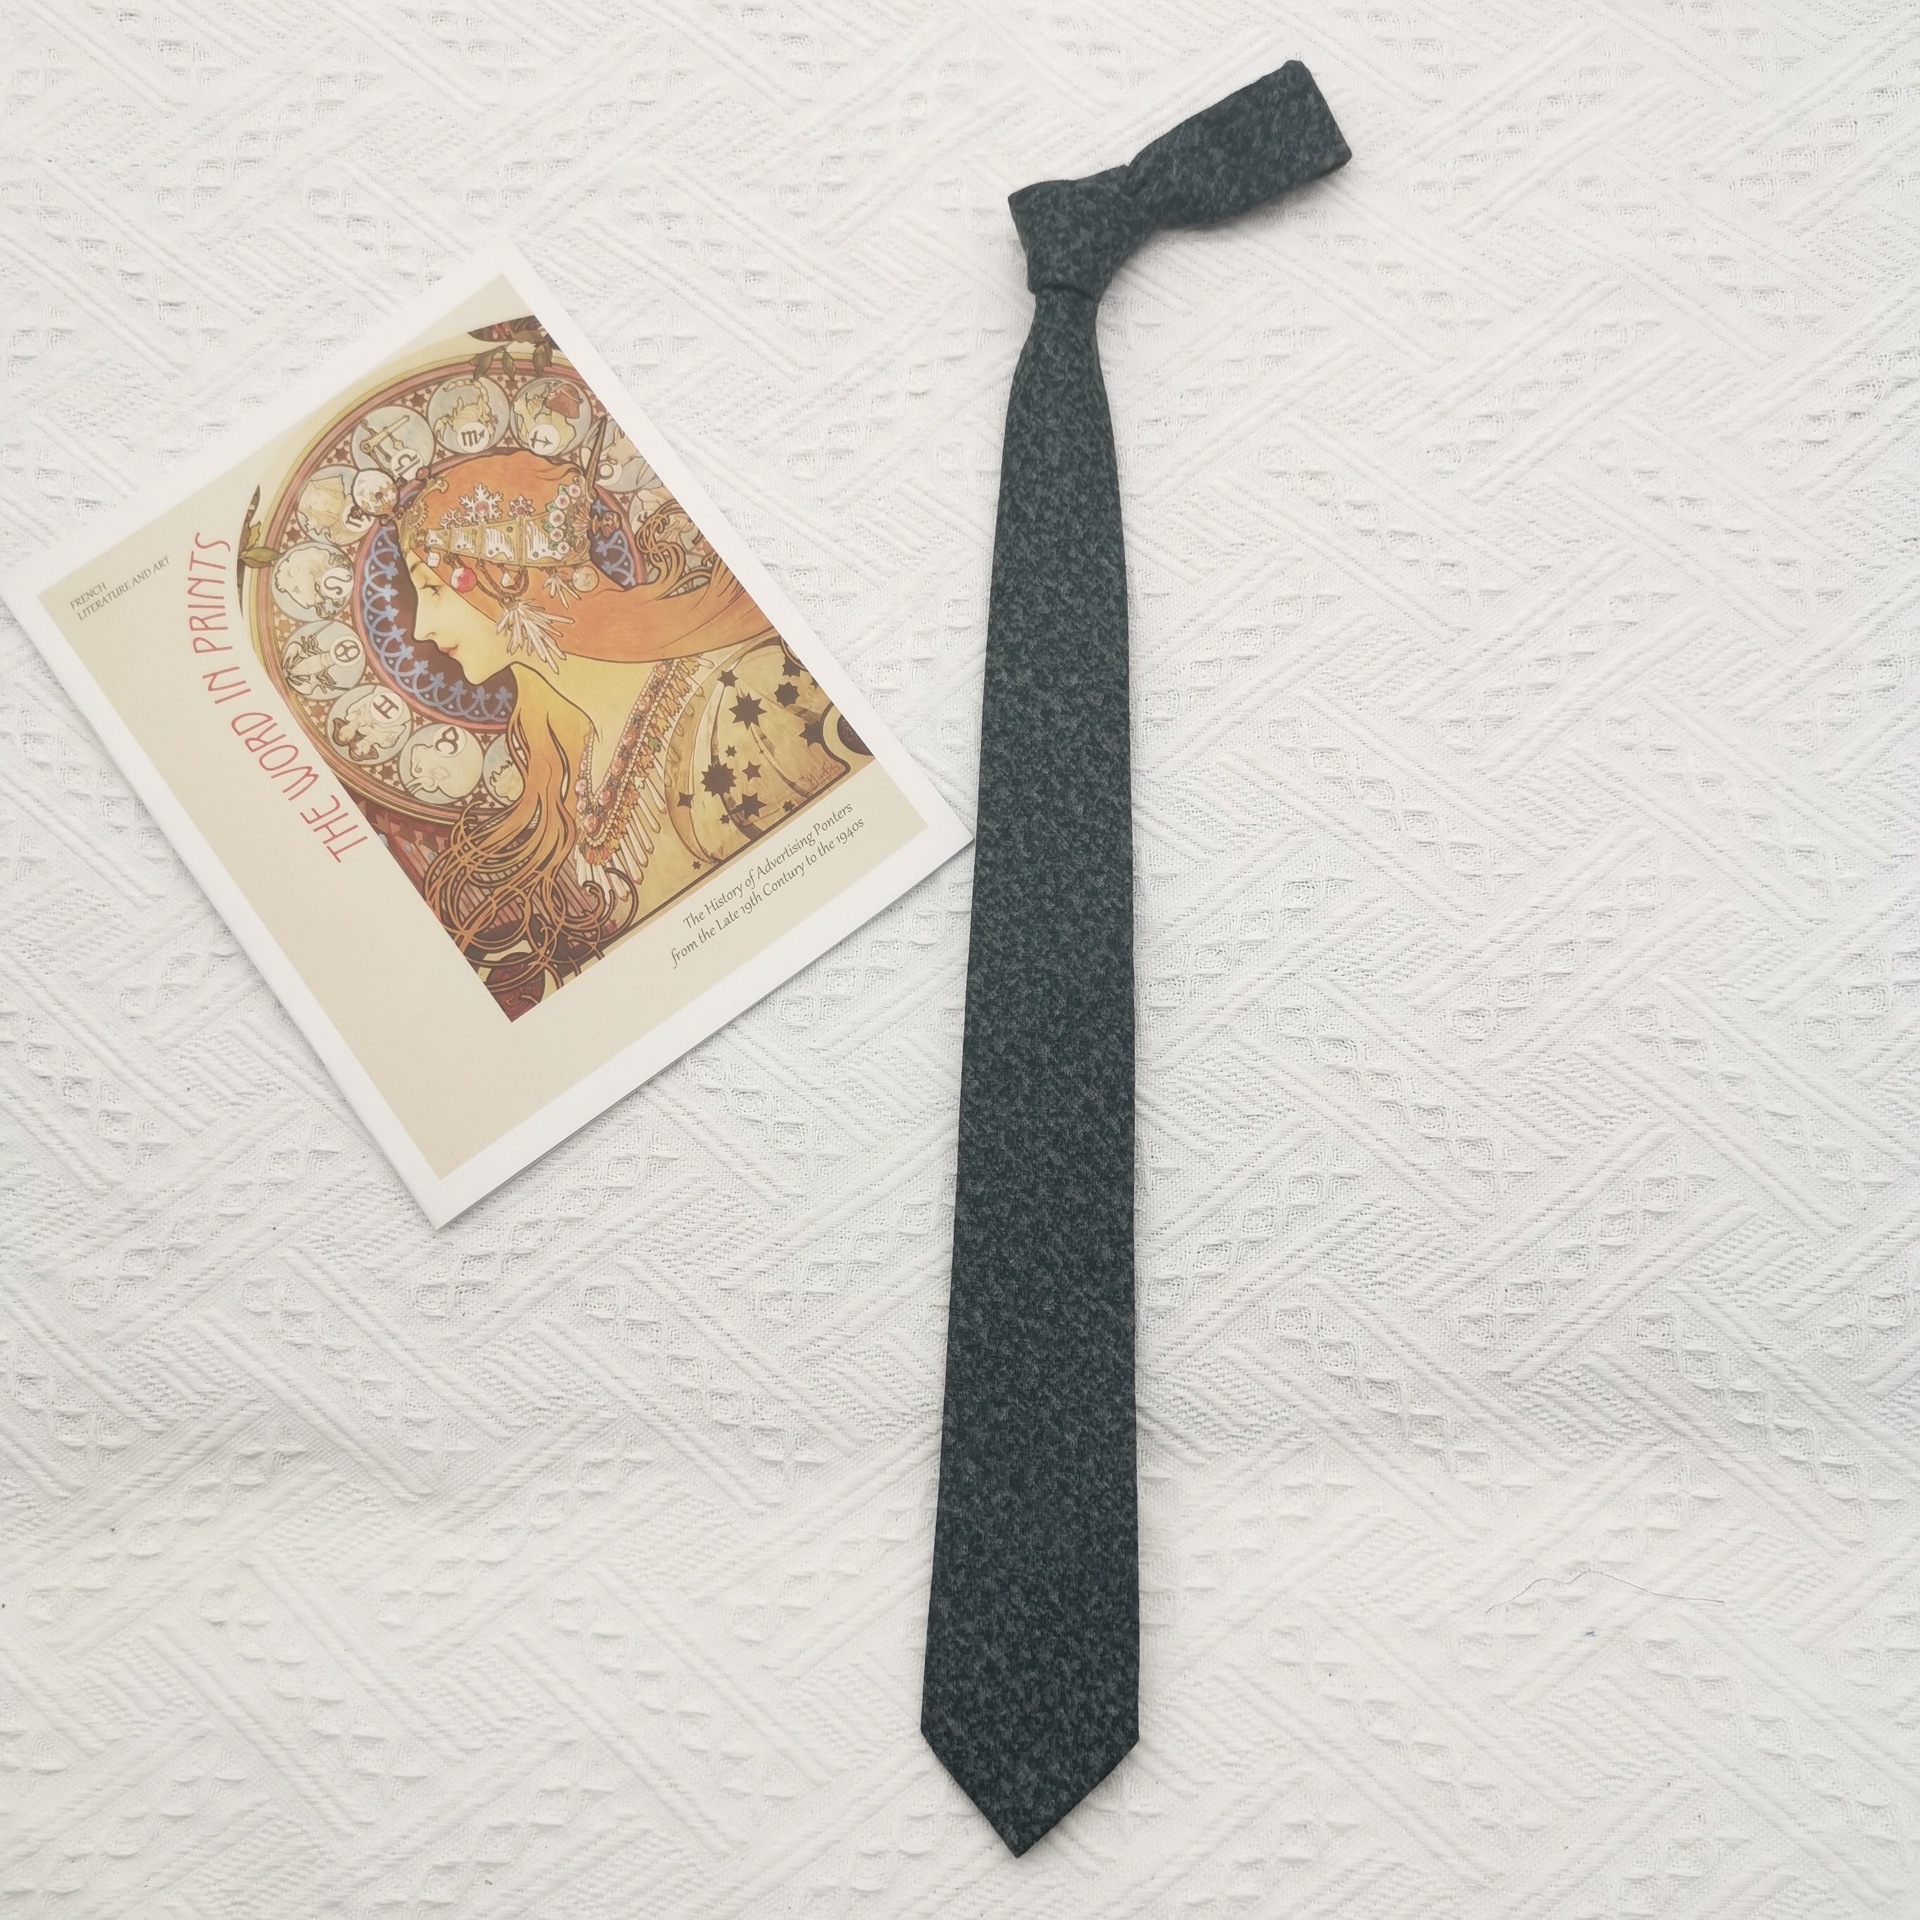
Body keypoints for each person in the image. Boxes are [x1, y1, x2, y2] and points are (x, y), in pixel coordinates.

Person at [395, 446, 857, 1012]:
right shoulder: (580, 763)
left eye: (433, 588)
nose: (420, 627)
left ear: (510, 578)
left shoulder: (738, 699)